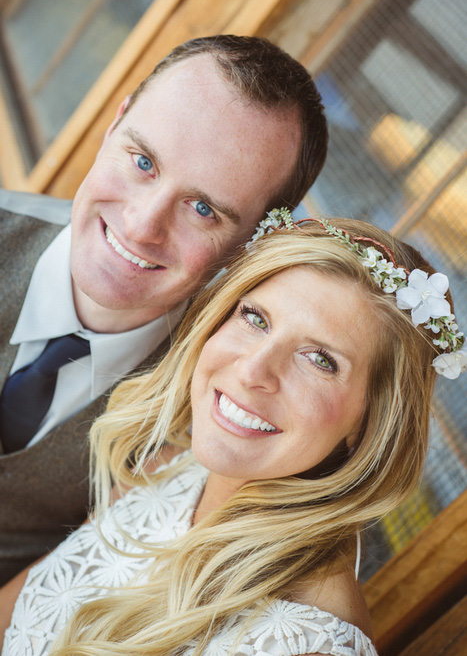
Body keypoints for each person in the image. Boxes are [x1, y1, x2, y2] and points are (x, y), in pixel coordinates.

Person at [2, 213, 464, 655]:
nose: (251, 370)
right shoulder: (172, 463)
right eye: (255, 318)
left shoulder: (304, 643)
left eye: (320, 359)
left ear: (370, 423)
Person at [0, 35, 328, 584]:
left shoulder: (223, 401)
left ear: (251, 244)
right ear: (114, 125)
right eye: (143, 161)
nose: (141, 225)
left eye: (203, 208)